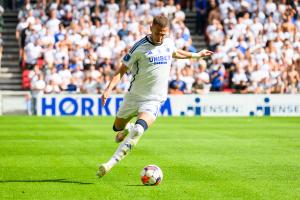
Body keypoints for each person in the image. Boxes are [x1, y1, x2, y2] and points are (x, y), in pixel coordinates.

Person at [97, 15, 213, 177]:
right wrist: (108, 89)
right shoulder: (139, 47)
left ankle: (109, 164)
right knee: (117, 128)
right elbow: (121, 70)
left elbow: (175, 52)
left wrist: (196, 55)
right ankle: (126, 129)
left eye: (163, 34)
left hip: (153, 100)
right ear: (151, 28)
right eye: (158, 33)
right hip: (133, 97)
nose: (160, 37)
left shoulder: (168, 42)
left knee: (138, 130)